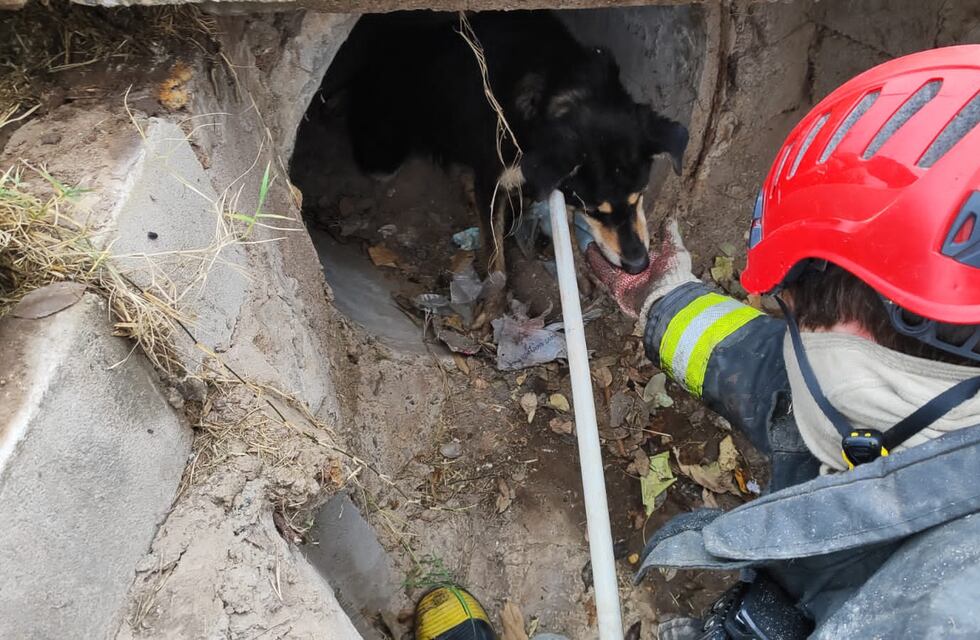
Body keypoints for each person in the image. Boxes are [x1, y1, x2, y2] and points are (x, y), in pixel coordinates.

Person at [587, 45, 980, 639]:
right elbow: (778, 377)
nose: (781, 326)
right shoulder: (908, 407)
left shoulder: (930, 616)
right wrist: (661, 297)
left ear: (853, 357)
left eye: (787, 310)